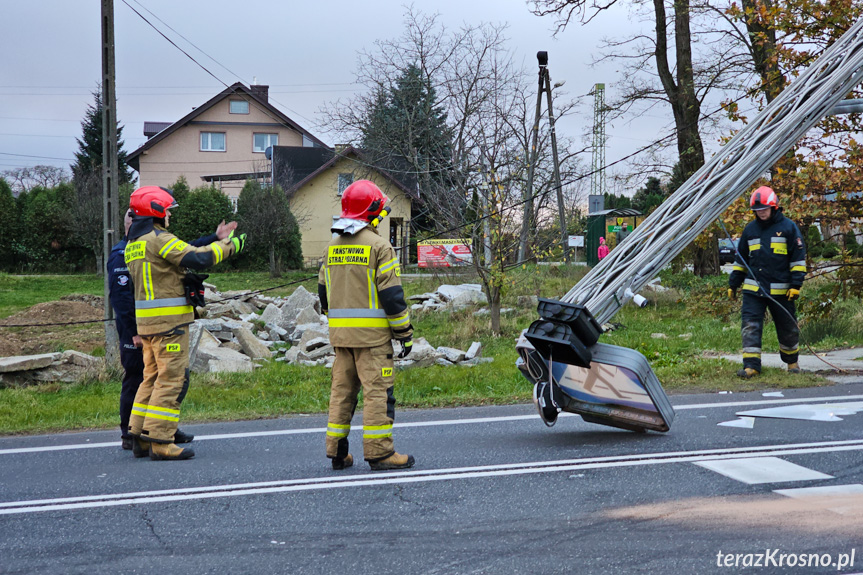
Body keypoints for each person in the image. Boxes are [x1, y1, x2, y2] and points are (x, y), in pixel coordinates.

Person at [124, 186, 246, 460]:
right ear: (156, 212)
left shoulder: (135, 244)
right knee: (171, 381)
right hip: (170, 325)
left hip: (148, 326)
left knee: (151, 379)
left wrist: (213, 237)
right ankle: (161, 441)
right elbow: (198, 257)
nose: (169, 215)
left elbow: (184, 250)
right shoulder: (158, 239)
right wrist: (230, 245)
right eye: (167, 210)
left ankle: (140, 436)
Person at [318, 180, 415, 471]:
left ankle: (338, 453)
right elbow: (392, 298)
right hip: (372, 341)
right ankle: (380, 453)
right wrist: (404, 334)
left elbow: (324, 293)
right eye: (379, 211)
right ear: (371, 211)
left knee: (341, 393)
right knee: (377, 395)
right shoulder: (379, 246)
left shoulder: (332, 246)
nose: (382, 216)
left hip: (340, 338)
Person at [728, 186, 806, 378]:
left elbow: (798, 258)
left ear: (774, 207)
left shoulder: (788, 228)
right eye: (757, 210)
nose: (761, 212)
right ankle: (751, 366)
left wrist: (796, 286)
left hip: (782, 291)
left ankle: (792, 363)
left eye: (764, 208)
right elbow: (741, 260)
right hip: (753, 291)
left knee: (788, 327)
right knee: (750, 326)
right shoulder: (750, 230)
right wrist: (733, 284)